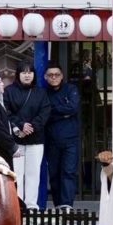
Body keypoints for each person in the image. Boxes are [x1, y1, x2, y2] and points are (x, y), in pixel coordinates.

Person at [4, 61, 51, 210]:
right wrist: (20, 126)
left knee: (33, 174)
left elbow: (45, 112)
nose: (27, 75)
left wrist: (32, 127)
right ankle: (18, 205)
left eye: (30, 72)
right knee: (17, 174)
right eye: (23, 72)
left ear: (34, 75)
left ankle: (31, 205)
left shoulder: (40, 93)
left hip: (36, 140)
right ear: (18, 75)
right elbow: (6, 112)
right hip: (16, 140)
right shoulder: (9, 91)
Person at [44, 62, 81, 211]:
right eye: (50, 75)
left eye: (57, 75)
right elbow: (44, 114)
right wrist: (63, 114)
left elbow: (73, 108)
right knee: (54, 173)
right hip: (51, 139)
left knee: (69, 172)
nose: (54, 77)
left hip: (71, 139)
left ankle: (67, 204)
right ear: (46, 77)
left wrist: (54, 111)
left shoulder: (71, 89)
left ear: (62, 76)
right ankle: (58, 204)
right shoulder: (43, 93)